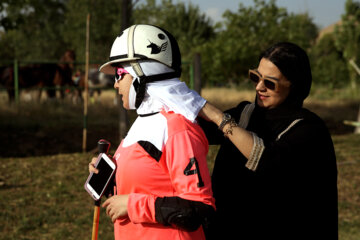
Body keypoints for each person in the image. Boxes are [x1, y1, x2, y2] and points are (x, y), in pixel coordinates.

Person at [197, 42, 338, 240]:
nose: (259, 87)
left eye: (270, 83)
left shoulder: (309, 129)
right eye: (255, 77)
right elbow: (197, 130)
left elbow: (267, 161)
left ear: (294, 86)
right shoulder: (246, 113)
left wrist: (220, 118)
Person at [88, 24, 215, 240]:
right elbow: (146, 185)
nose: (115, 84)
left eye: (119, 74)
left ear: (143, 71)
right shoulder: (141, 123)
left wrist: (131, 205)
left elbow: (198, 210)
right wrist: (111, 181)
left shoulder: (178, 128)